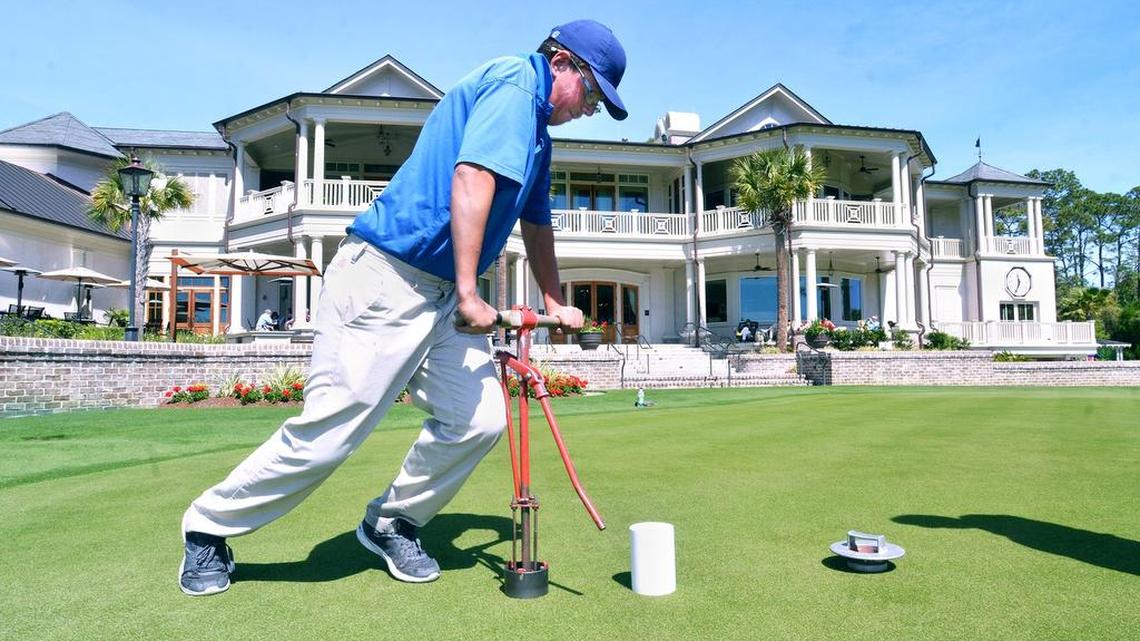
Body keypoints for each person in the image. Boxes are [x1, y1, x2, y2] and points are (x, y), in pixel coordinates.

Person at [178, 19, 628, 596]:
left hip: (441, 293)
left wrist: (555, 301)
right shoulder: (517, 84)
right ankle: (208, 529)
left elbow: (536, 223)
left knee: (479, 419)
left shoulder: (539, 134)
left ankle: (390, 520)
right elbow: (472, 179)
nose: (590, 108)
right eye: (593, 93)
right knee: (332, 430)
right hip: (386, 277)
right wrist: (471, 294)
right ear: (562, 61)